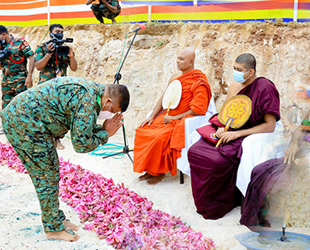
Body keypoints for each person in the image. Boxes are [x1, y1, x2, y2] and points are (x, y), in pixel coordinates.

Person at [0, 76, 129, 241]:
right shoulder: (88, 101)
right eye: (111, 110)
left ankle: (56, 218)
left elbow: (80, 126)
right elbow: (80, 144)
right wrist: (105, 134)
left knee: (51, 171)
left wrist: (101, 129)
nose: (108, 114)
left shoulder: (91, 92)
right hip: (25, 124)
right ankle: (52, 228)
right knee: (46, 175)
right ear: (109, 100)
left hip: (25, 119)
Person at [188, 53, 281, 220]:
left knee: (216, 161)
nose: (235, 72)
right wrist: (223, 129)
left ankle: (224, 201)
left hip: (250, 132)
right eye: (234, 68)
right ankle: (204, 201)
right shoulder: (234, 86)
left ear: (251, 72)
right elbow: (226, 115)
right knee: (196, 150)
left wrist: (237, 134)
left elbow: (270, 125)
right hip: (231, 132)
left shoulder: (265, 88)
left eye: (239, 70)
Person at [133, 48, 212, 185]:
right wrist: (152, 116)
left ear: (191, 62)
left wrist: (175, 118)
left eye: (181, 59)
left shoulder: (198, 81)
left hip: (181, 119)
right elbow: (164, 97)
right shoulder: (175, 77)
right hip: (167, 115)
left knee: (159, 137)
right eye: (177, 58)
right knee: (143, 130)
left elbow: (197, 110)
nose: (177, 61)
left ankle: (159, 172)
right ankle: (150, 169)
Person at [35, 23, 78, 149]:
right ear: (50, 33)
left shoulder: (66, 48)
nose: (60, 33)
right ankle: (44, 139)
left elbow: (74, 68)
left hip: (61, 87)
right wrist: (48, 53)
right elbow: (38, 66)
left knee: (62, 114)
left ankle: (57, 139)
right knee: (44, 113)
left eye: (62, 31)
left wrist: (71, 57)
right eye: (57, 31)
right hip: (46, 86)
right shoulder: (42, 48)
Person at [0, 25, 35, 109]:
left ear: (3, 34)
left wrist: (30, 75)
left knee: (22, 106)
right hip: (6, 81)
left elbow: (32, 58)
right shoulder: (1, 46)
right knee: (6, 107)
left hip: (21, 80)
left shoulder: (19, 42)